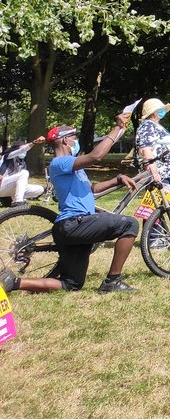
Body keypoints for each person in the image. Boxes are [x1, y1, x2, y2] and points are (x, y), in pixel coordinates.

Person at [1, 119, 140, 295]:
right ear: (65, 140)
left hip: (72, 228)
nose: (76, 141)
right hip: (75, 223)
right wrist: (118, 128)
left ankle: (13, 282)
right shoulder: (60, 162)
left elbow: (93, 189)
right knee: (129, 224)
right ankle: (113, 281)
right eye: (74, 137)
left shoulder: (73, 167)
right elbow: (96, 156)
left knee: (71, 283)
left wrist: (118, 179)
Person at [134, 97, 170, 187]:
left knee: (161, 201)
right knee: (157, 200)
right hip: (159, 172)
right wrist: (154, 172)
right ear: (152, 112)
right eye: (160, 109)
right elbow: (145, 149)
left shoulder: (154, 125)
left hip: (165, 172)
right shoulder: (148, 125)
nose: (163, 111)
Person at [0, 136, 46, 204]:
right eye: (24, 149)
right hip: (2, 184)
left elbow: (22, 182)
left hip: (10, 188)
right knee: (24, 173)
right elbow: (22, 150)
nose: (25, 152)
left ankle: (14, 199)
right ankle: (18, 201)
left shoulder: (22, 163)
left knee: (39, 189)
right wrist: (34, 142)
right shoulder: (8, 156)